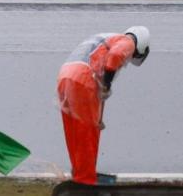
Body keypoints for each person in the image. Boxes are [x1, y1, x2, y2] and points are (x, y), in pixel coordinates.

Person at [57, 27, 150, 185]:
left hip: (65, 76)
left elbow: (102, 67)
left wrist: (98, 116)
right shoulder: (128, 41)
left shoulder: (105, 38)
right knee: (87, 133)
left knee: (75, 131)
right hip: (83, 79)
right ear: (141, 45)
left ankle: (80, 173)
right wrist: (106, 84)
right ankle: (85, 181)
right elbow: (115, 56)